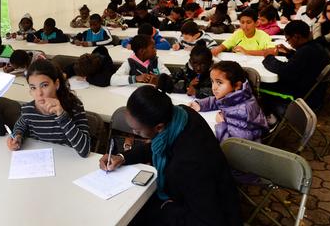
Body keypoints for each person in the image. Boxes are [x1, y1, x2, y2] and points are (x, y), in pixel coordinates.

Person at [99, 86, 241, 226]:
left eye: (137, 131)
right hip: (196, 193)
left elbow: (209, 221)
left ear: (159, 127)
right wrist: (122, 157)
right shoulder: (180, 114)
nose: (133, 133)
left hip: (208, 212)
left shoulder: (189, 163)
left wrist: (167, 208)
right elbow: (156, 146)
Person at [8, 59, 90, 157]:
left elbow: (85, 150)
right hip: (40, 160)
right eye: (33, 88)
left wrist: (62, 115)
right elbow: (20, 126)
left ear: (56, 84)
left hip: (67, 161)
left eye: (44, 85)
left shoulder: (74, 106)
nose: (39, 93)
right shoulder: (28, 110)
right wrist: (17, 137)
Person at [190, 61, 268, 142]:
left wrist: (221, 124)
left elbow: (234, 146)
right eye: (212, 81)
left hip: (242, 151)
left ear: (237, 85)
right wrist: (200, 104)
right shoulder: (238, 95)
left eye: (219, 82)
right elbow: (218, 101)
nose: (214, 87)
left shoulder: (241, 112)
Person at [262, 21, 330, 109]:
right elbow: (301, 63)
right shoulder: (315, 46)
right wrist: (289, 52)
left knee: (260, 85)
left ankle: (270, 113)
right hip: (314, 92)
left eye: (288, 39)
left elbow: (285, 71)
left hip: (301, 95)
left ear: (296, 37)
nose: (288, 42)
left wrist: (268, 57)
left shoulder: (305, 52)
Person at [211, 9, 276, 56]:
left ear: (256, 23)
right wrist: (218, 48)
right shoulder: (238, 33)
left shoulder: (262, 35)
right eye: (242, 22)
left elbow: (273, 51)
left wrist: (246, 52)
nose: (245, 26)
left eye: (248, 22)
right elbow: (225, 45)